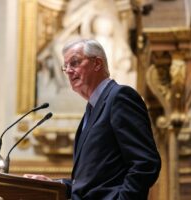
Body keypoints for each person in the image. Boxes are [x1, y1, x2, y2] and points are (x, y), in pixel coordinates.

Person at [24, 39, 161, 200]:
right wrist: (57, 185)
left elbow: (145, 163)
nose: (68, 71)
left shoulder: (120, 97)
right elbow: (93, 184)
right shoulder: (91, 109)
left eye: (74, 63)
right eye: (65, 66)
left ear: (97, 64)